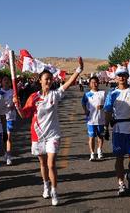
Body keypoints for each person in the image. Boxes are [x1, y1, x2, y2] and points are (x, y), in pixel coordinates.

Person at [13, 57, 84, 206]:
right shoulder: (33, 97)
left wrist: (78, 70)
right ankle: (45, 184)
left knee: (51, 164)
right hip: (37, 135)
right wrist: (18, 106)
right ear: (40, 80)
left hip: (53, 135)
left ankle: (54, 191)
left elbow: (68, 83)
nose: (48, 81)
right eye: (46, 79)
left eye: (50, 79)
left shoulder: (54, 95)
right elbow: (24, 115)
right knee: (43, 164)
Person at [104, 65, 130, 196]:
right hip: (118, 130)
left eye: (124, 75)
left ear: (127, 77)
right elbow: (108, 112)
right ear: (116, 78)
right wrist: (105, 128)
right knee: (119, 159)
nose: (121, 77)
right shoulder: (111, 93)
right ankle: (121, 184)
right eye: (119, 75)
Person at [81, 76, 106, 161]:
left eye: (96, 82)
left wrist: (103, 106)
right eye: (92, 82)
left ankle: (99, 150)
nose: (94, 84)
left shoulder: (103, 93)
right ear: (90, 84)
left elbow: (108, 104)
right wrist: (85, 110)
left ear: (98, 83)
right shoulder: (87, 94)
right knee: (91, 137)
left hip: (101, 119)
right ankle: (92, 153)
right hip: (91, 120)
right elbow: (83, 103)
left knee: (100, 136)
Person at [0, 75, 16, 166]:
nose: (6, 81)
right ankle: (5, 152)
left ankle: (8, 156)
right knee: (2, 138)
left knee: (8, 137)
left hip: (10, 117)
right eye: (4, 80)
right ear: (1, 82)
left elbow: (16, 102)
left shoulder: (13, 91)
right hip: (0, 118)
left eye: (8, 80)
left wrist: (15, 104)